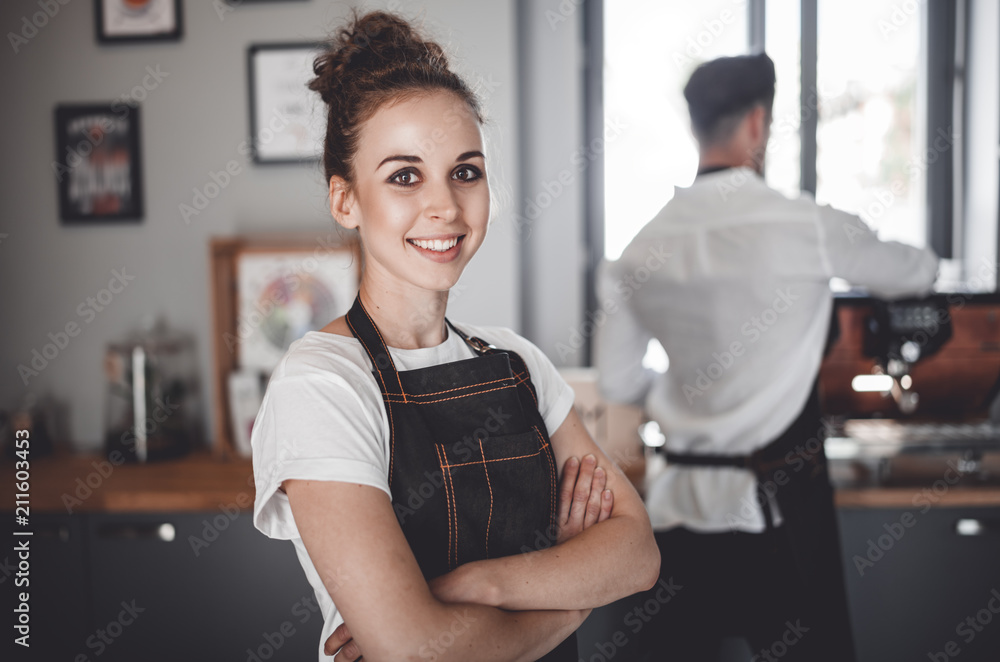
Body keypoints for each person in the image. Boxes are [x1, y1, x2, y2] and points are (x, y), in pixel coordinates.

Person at [250, 10, 660, 662]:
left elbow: (636, 554)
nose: (444, 205)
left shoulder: (518, 362)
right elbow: (421, 653)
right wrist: (575, 589)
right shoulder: (323, 384)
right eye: (405, 175)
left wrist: (475, 585)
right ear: (345, 199)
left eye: (465, 171)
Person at [595, 52, 939, 661]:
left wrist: (690, 383)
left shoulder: (638, 248)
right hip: (780, 515)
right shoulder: (806, 227)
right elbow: (916, 271)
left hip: (675, 513)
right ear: (758, 124)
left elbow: (620, 380)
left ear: (698, 127)